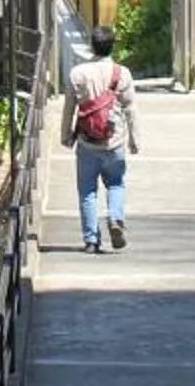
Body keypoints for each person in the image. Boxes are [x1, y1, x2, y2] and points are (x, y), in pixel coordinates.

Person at [60, 24, 140, 252]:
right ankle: (115, 218)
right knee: (115, 183)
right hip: (114, 140)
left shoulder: (78, 73)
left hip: (87, 142)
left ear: (91, 46)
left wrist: (66, 135)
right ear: (112, 46)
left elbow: (69, 108)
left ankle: (91, 240)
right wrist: (135, 139)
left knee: (87, 191)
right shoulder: (122, 73)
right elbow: (130, 108)